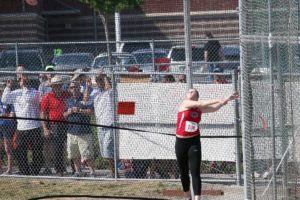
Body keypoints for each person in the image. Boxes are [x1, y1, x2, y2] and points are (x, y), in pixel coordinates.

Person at [175, 88, 239, 200]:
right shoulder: (185, 103)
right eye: (188, 91)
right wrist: (219, 99)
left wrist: (226, 100)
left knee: (195, 172)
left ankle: (197, 198)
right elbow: (201, 103)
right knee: (183, 172)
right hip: (181, 142)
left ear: (196, 95)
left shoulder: (199, 109)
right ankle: (187, 197)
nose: (189, 92)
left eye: (192, 91)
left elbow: (214, 108)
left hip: (194, 141)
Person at [2, 76, 43, 175]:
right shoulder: (15, 93)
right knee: (20, 150)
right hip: (21, 127)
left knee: (36, 150)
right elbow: (4, 100)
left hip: (34, 126)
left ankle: (35, 171)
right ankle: (24, 171)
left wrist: (25, 87)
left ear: (29, 81)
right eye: (21, 80)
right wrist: (8, 87)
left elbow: (29, 99)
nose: (23, 82)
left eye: (25, 80)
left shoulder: (35, 92)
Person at [63, 81, 95, 177]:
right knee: (74, 154)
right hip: (71, 131)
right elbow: (64, 115)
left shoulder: (85, 98)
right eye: (72, 87)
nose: (74, 89)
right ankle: (78, 171)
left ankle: (92, 172)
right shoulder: (68, 101)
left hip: (84, 131)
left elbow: (91, 112)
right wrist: (68, 112)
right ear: (69, 89)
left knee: (87, 154)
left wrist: (79, 110)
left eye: (76, 87)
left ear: (79, 88)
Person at [86, 73, 115, 178]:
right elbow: (85, 100)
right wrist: (88, 87)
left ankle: (113, 173)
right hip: (100, 124)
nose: (99, 82)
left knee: (108, 148)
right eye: (97, 80)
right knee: (104, 151)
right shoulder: (95, 92)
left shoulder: (110, 91)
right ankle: (112, 171)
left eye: (101, 80)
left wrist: (104, 77)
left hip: (110, 123)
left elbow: (108, 88)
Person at [40, 75, 70, 176]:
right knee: (57, 147)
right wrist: (45, 128)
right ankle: (59, 170)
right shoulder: (47, 97)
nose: (57, 87)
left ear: (61, 85)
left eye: (59, 85)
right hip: (55, 125)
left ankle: (70, 167)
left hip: (68, 123)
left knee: (67, 146)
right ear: (52, 87)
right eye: (55, 86)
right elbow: (43, 113)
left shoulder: (66, 95)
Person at [0, 84, 17, 175]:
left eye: (2, 91)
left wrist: (3, 115)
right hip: (0, 125)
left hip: (7, 126)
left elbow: (12, 116)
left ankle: (9, 169)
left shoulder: (10, 102)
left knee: (7, 148)